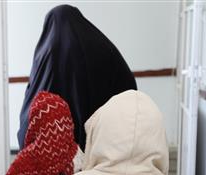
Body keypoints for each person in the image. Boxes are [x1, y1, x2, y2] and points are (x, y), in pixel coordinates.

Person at [18, 4, 137, 150]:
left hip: (58, 151)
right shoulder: (102, 47)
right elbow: (126, 85)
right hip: (103, 145)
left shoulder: (47, 53)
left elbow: (33, 97)